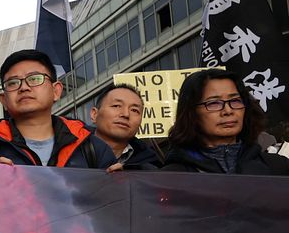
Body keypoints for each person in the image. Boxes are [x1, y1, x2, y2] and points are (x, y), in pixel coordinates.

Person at [0, 49, 115, 168]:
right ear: (4, 100)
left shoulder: (92, 148)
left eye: (34, 79)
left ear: (56, 91)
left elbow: (114, 202)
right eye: (13, 83)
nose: (24, 87)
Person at [160, 68, 289, 175]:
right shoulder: (171, 178)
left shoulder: (278, 168)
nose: (228, 111)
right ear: (191, 112)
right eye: (214, 103)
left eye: (235, 101)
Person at [89, 84, 162, 170]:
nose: (126, 114)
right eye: (116, 106)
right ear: (94, 114)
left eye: (134, 110)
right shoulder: (72, 151)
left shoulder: (151, 170)